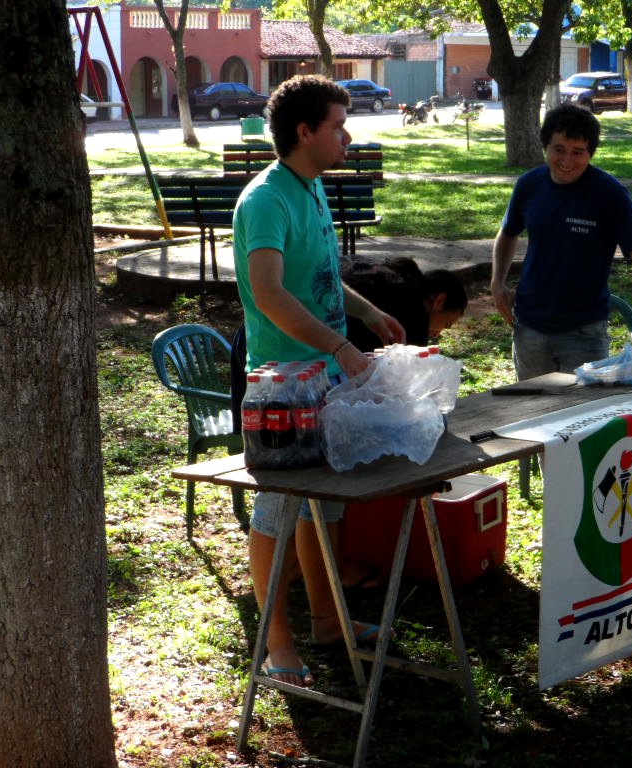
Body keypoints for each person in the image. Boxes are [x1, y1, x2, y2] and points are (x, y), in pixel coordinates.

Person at [232, 74, 406, 686]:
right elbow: (270, 293)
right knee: (277, 513)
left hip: (324, 378)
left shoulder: (310, 189)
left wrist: (363, 313)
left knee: (323, 507)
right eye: (337, 125)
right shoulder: (265, 200)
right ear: (304, 131)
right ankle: (277, 646)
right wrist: (337, 342)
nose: (348, 135)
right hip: (279, 387)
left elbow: (321, 278)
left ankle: (329, 621)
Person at [490, 104, 632, 381]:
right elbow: (507, 234)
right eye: (558, 149)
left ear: (591, 153)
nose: (567, 160)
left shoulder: (609, 194)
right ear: (545, 147)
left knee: (582, 419)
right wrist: (497, 282)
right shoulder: (529, 185)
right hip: (528, 327)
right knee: (532, 415)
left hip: (583, 332)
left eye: (578, 152)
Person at [342, 257, 467, 351]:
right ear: (440, 301)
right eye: (447, 324)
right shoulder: (414, 312)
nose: (437, 333)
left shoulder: (397, 278)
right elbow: (408, 372)